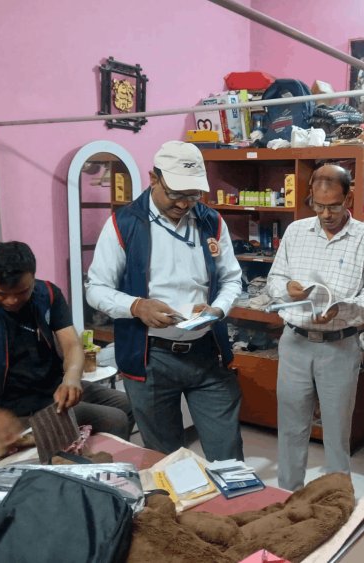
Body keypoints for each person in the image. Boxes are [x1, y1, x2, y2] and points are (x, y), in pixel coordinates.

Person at [86, 141, 243, 462]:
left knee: (228, 457)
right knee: (165, 458)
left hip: (206, 354)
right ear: (153, 178)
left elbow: (232, 279)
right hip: (151, 357)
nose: (184, 204)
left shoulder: (211, 222)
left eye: (193, 195)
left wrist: (217, 309)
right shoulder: (124, 224)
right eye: (176, 194)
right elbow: (96, 289)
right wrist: (137, 307)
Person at [267, 163, 364, 491]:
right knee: (291, 430)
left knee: (336, 434)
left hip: (340, 347)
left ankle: (336, 501)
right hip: (295, 343)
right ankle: (288, 495)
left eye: (333, 206)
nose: (325, 214)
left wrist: (342, 309)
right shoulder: (296, 232)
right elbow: (274, 280)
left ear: (349, 198)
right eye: (318, 206)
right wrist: (287, 288)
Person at [0, 241, 133, 444]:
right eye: (1, 294)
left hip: (52, 389)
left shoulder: (47, 294)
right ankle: (82, 458)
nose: (12, 301)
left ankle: (85, 455)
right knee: (115, 419)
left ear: (33, 277)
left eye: (22, 292)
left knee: (128, 404)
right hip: (12, 408)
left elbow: (71, 344)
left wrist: (72, 377)